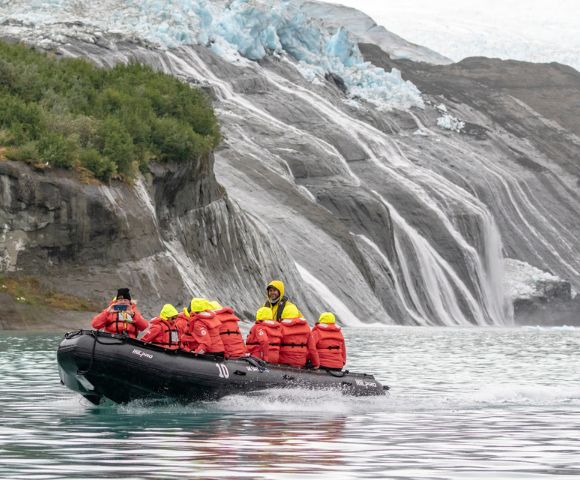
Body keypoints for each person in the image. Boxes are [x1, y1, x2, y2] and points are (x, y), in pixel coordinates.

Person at [278, 304, 320, 369]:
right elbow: (312, 348)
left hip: (283, 361)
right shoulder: (306, 327)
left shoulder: (281, 327)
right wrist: (316, 363)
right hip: (301, 361)